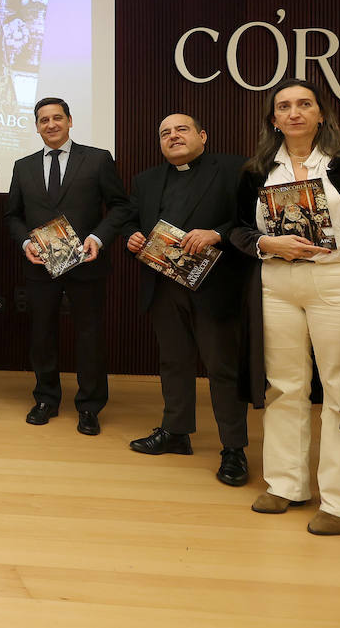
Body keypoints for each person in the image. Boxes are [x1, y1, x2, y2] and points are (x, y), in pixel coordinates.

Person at [230, 79, 340, 535]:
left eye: (304, 105)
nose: (294, 113)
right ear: (273, 119)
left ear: (321, 114)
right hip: (275, 282)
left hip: (339, 280)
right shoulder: (255, 171)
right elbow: (236, 229)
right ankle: (286, 483)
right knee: (284, 387)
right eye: (284, 106)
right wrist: (265, 242)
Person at [119, 113, 249, 486]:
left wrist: (216, 234)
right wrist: (132, 238)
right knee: (173, 363)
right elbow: (130, 220)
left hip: (214, 286)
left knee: (222, 368)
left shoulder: (233, 168)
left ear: (202, 135)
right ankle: (176, 433)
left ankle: (234, 448)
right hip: (162, 287)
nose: (173, 136)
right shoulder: (146, 180)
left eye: (181, 129)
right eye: (165, 133)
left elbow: (249, 221)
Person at [4, 97, 129, 436]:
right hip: (40, 267)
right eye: (43, 120)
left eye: (57, 118)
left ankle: (89, 407)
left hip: (87, 265)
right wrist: (26, 243)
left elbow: (119, 207)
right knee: (42, 334)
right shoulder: (23, 165)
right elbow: (12, 215)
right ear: (36, 126)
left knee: (89, 337)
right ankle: (46, 399)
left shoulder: (97, 159)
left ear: (70, 121)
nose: (51, 125)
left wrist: (98, 239)